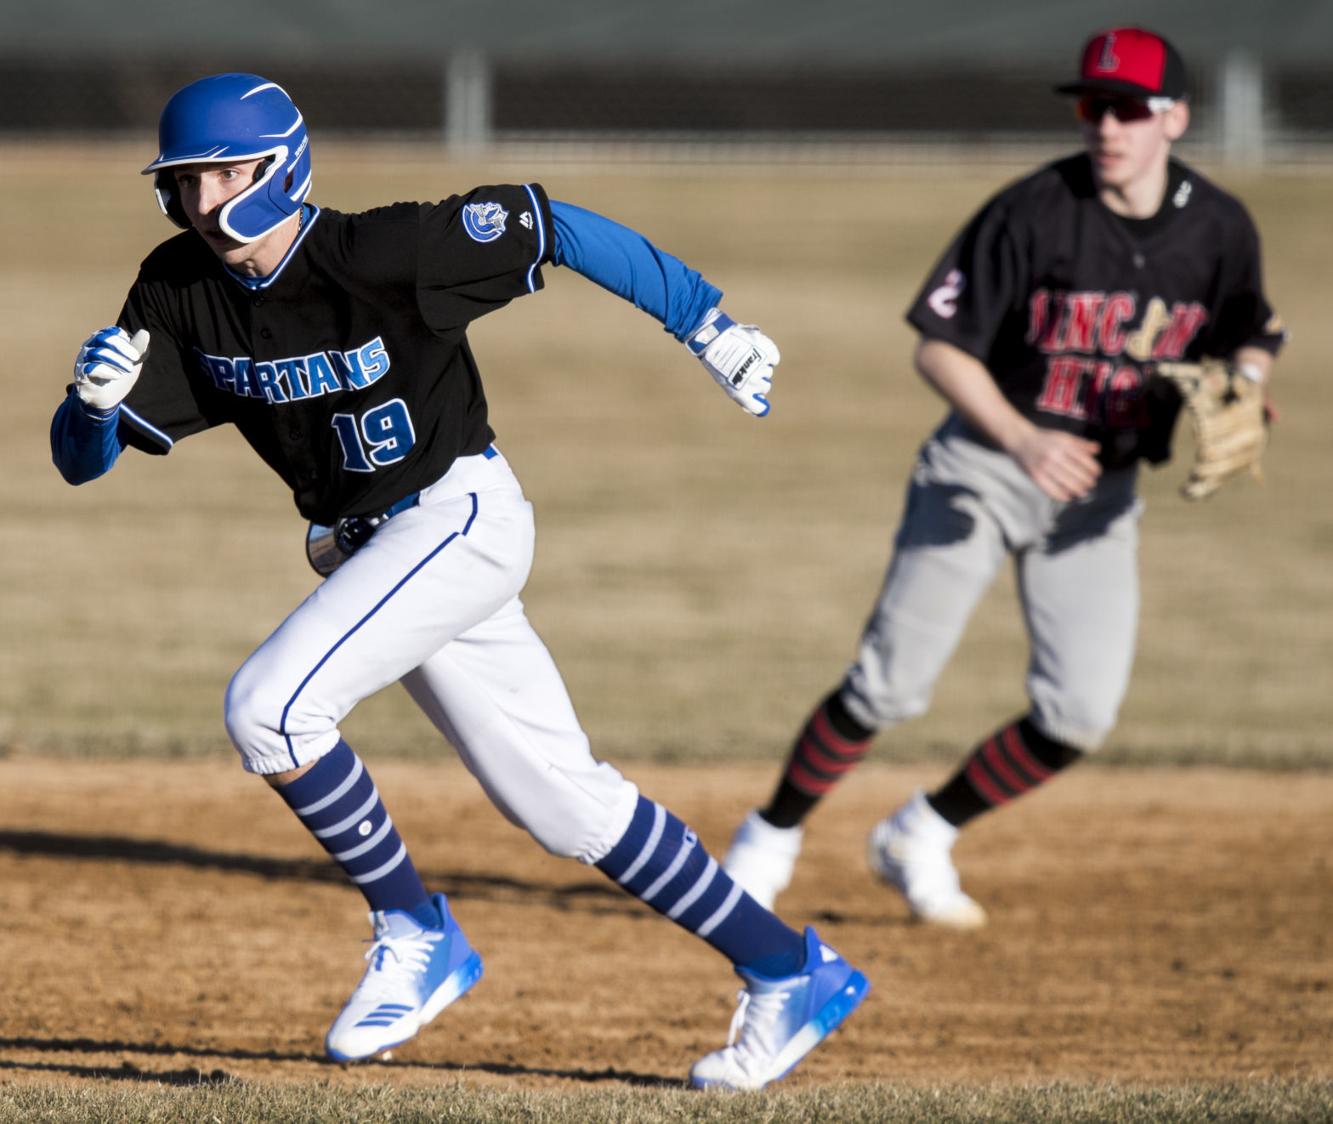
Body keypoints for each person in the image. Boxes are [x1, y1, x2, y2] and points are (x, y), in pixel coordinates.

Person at [51, 72, 868, 1090]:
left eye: (224, 173)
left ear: (281, 166)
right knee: (565, 807)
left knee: (271, 708)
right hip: (367, 547)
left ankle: (415, 926)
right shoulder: (177, 286)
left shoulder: (383, 252)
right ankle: (789, 967)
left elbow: (551, 225)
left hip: (456, 516)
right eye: (185, 180)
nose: (206, 200)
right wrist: (89, 406)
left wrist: (706, 323)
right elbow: (80, 461)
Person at [721, 28, 1285, 927]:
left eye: (1128, 108)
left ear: (1174, 117)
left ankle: (923, 830)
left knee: (1078, 714)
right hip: (984, 465)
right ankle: (768, 838)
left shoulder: (1217, 228)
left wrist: (1247, 386)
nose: (1106, 125)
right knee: (889, 684)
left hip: (1098, 498)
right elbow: (938, 348)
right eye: (1091, 105)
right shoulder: (1033, 211)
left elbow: (1250, 329)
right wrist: (1022, 440)